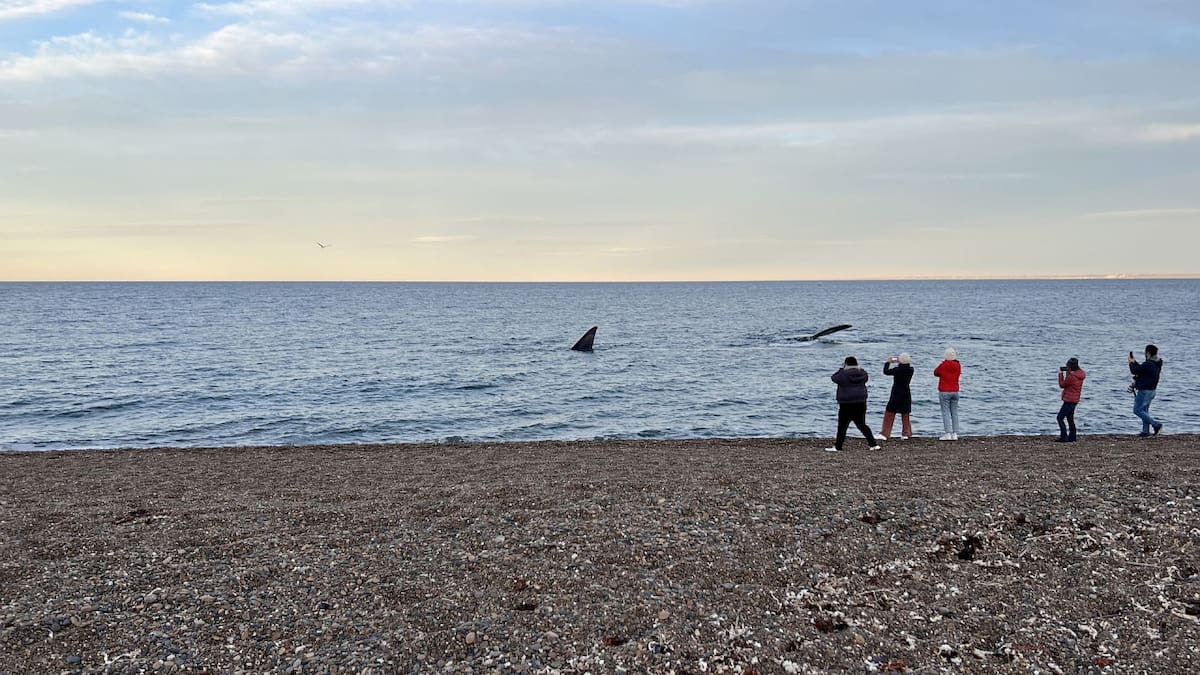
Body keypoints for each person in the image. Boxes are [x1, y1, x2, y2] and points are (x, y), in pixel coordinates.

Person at [826, 356, 881, 453]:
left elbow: (834, 378)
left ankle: (838, 446)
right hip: (860, 401)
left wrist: (841, 369)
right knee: (862, 424)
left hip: (846, 403)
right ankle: (873, 444)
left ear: (846, 364)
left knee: (842, 426)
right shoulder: (862, 373)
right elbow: (866, 376)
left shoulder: (843, 374)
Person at [1129, 344, 1164, 437]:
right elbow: (1142, 370)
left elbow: (1135, 371)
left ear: (1148, 353)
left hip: (1145, 390)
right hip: (1152, 390)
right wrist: (1135, 362)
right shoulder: (1157, 362)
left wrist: (1131, 363)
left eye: (1145, 352)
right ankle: (1145, 431)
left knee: (1137, 410)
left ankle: (1156, 425)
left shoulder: (1148, 364)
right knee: (1144, 410)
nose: (1144, 354)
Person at [878, 353, 914, 441]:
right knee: (905, 414)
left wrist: (888, 362)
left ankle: (885, 433)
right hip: (906, 394)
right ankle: (906, 433)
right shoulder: (911, 370)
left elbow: (886, 371)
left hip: (896, 394)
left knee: (889, 413)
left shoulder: (897, 370)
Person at [1055, 357, 1086, 442]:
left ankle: (1064, 437)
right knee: (1070, 418)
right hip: (1075, 399)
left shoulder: (1072, 377)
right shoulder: (1080, 374)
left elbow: (1062, 384)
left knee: (1060, 418)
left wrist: (1060, 374)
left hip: (1069, 399)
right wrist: (1069, 372)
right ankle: (1072, 437)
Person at [933, 347, 961, 440]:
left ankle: (948, 433)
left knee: (945, 412)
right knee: (954, 413)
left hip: (944, 391)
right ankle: (955, 433)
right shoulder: (958, 365)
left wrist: (943, 363)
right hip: (955, 391)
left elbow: (935, 372)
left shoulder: (943, 365)